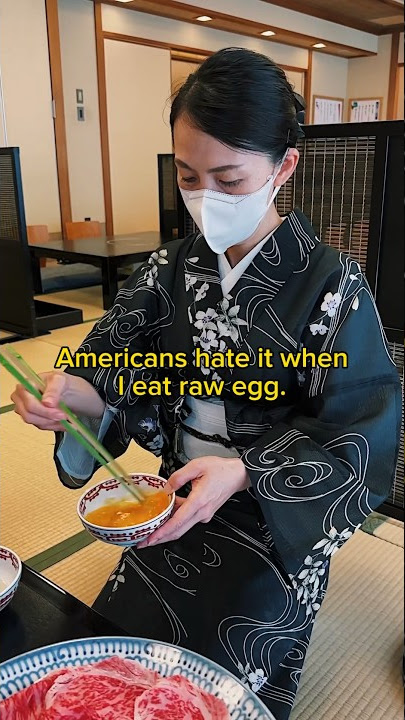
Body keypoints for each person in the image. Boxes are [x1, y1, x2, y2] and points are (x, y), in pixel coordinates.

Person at [12, 48, 401, 719]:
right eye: (188, 177)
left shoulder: (332, 285)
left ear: (283, 167)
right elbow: (112, 364)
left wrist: (243, 471)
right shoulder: (167, 268)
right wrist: (79, 398)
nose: (204, 200)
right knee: (112, 656)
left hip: (269, 515)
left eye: (228, 178)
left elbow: (359, 438)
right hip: (168, 494)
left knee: (211, 681)